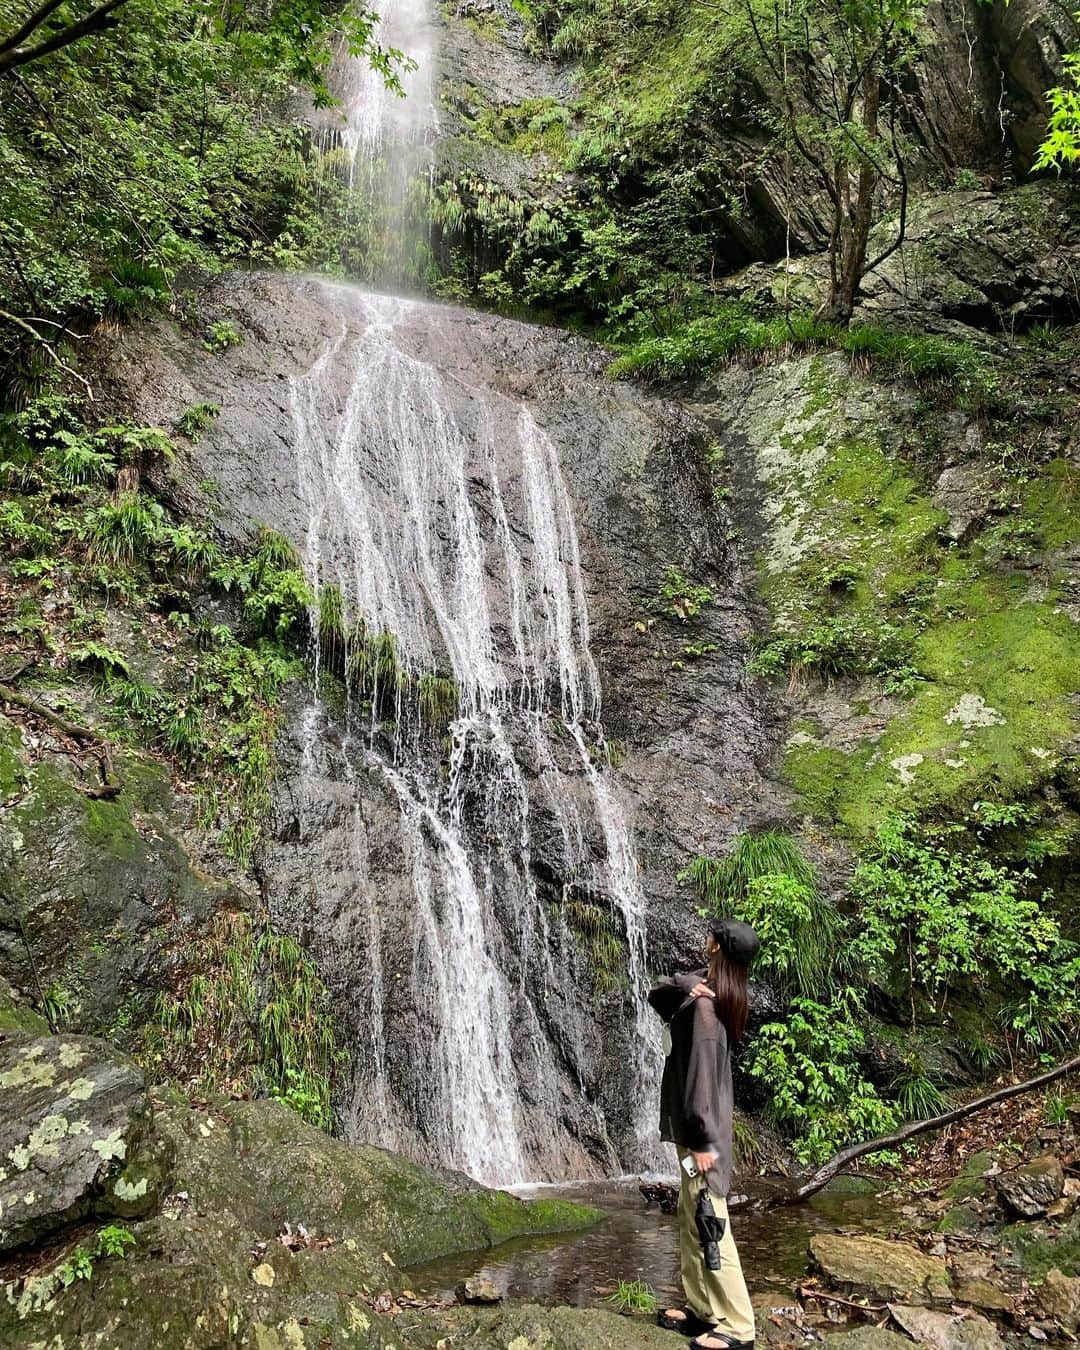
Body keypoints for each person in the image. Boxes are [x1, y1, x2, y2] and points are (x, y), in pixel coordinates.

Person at [647, 916, 760, 1350]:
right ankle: (703, 1310)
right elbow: (658, 993)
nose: (705, 934)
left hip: (703, 1138)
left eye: (711, 932)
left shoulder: (707, 1015)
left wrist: (704, 1146)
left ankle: (738, 1327)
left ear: (717, 948)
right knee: (691, 1213)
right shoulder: (704, 993)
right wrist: (686, 986)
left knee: (711, 1221)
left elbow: (701, 1089)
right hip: (696, 1134)